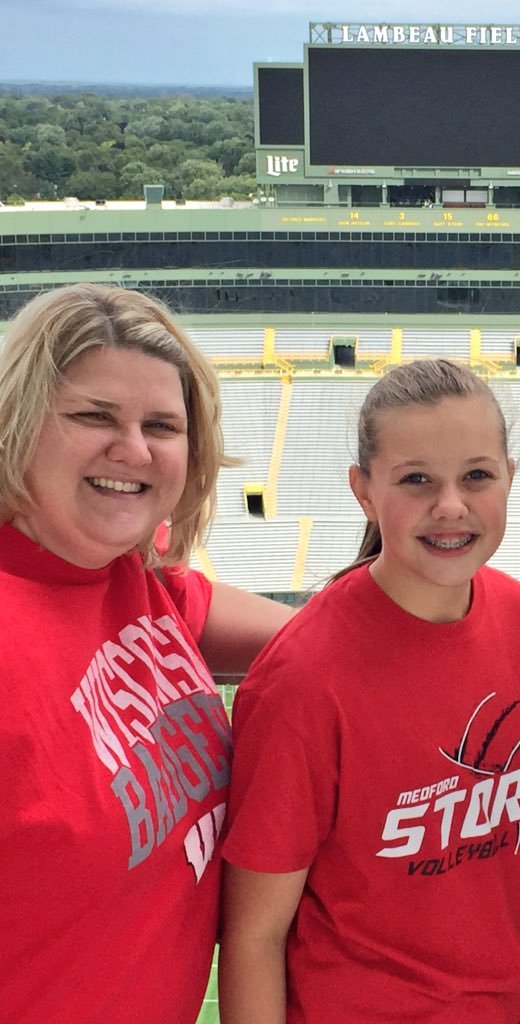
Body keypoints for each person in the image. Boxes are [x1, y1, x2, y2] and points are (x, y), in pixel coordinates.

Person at [218, 358, 520, 1024]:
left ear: (509, 480)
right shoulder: (304, 679)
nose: (451, 505)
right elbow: (254, 935)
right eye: (416, 480)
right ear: (364, 492)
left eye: (477, 476)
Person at [0, 282, 294, 1024]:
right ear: (18, 423)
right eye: (93, 416)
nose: (132, 449)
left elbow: (336, 644)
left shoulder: (135, 581)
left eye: (161, 425)